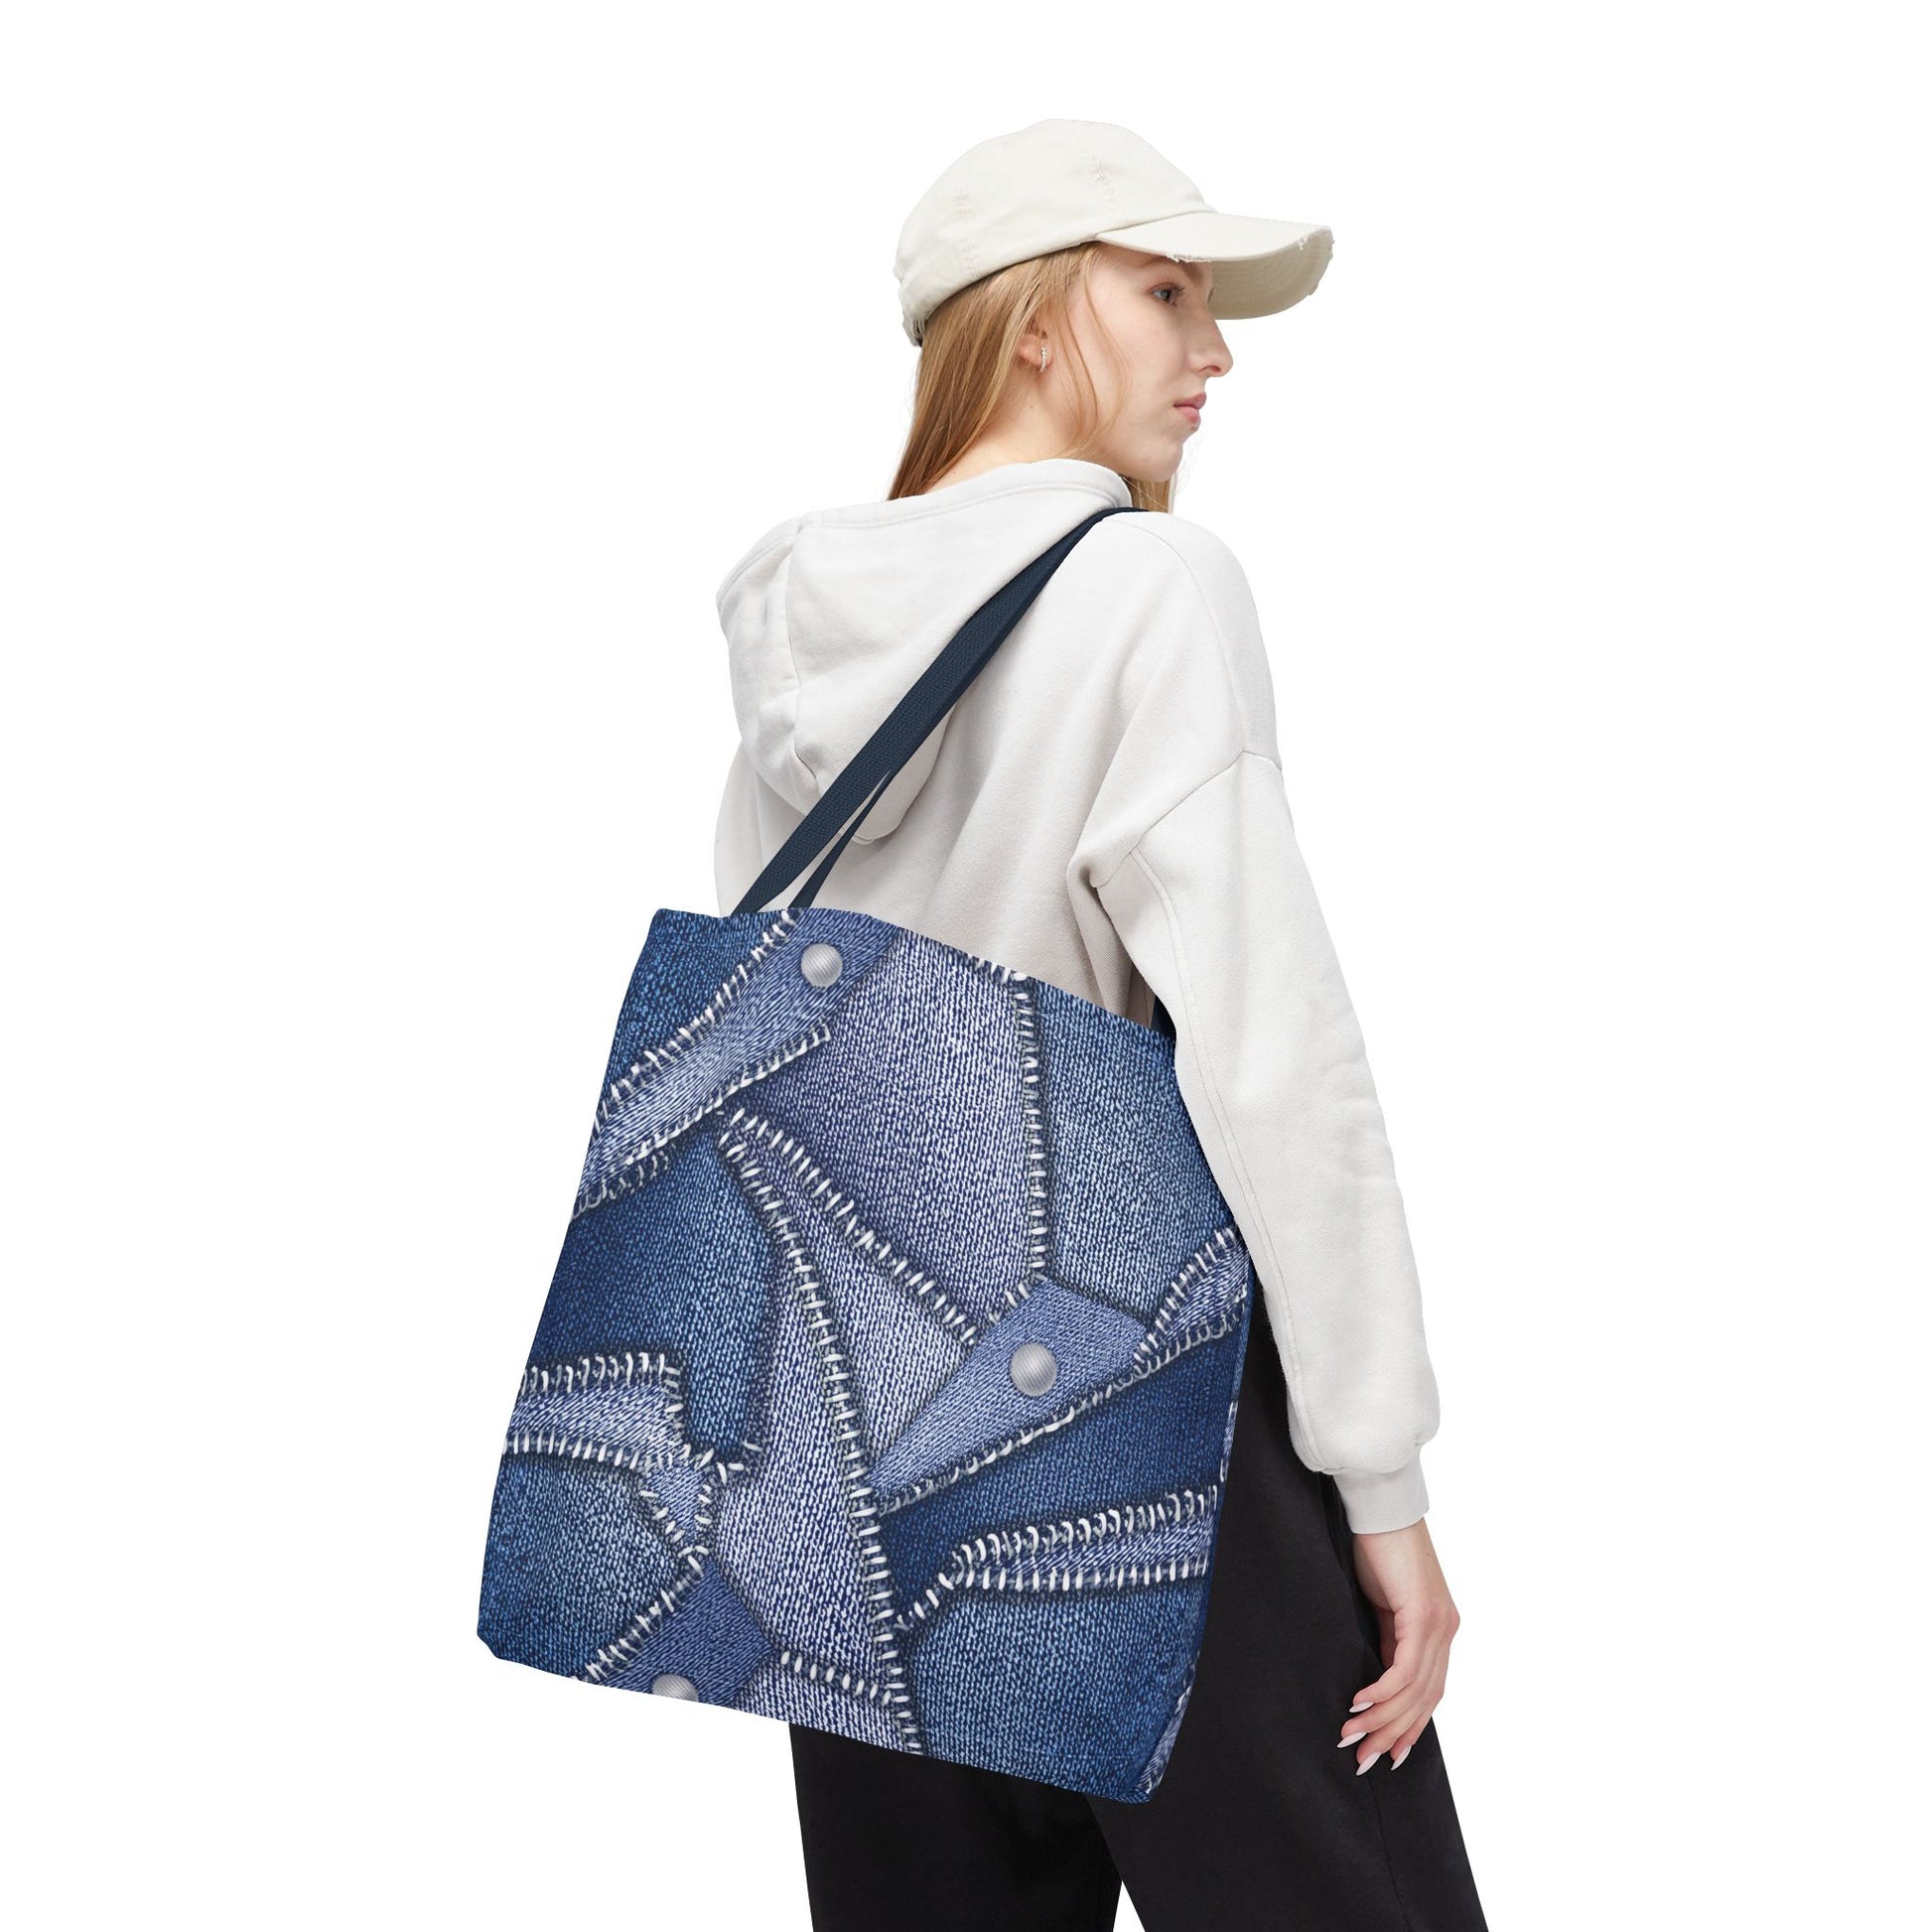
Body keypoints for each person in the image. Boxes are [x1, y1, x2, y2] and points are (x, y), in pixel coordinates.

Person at [712, 119, 1488, 1931]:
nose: (1212, 353)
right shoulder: (1147, 584)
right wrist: (1376, 1478)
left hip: (847, 1417)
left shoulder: (796, 631)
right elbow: (1272, 1059)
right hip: (1135, 1377)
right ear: (1036, 318)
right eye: (1165, 294)